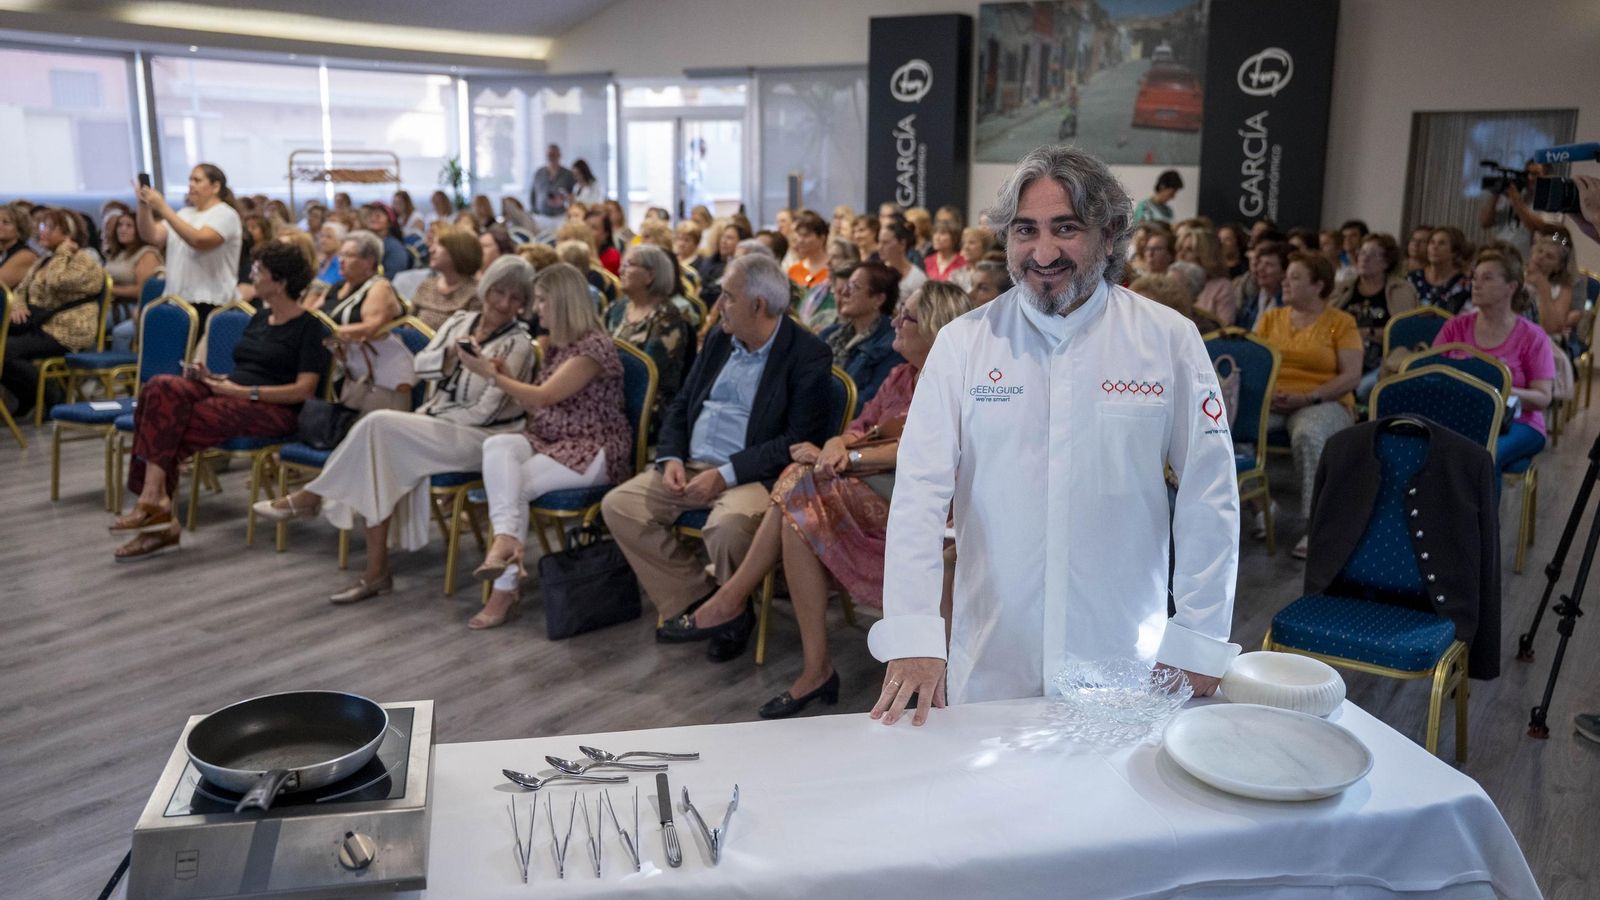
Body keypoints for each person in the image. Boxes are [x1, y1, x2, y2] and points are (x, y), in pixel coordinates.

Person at [867, 145, 1239, 726]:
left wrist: (1199, 637)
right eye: (1025, 230)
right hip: (993, 652)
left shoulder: (1168, 340)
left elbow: (1209, 493)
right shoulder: (964, 345)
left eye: (1066, 228)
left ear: (1109, 235)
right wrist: (915, 633)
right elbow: (918, 496)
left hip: (1122, 652)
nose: (1043, 253)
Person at [662, 282, 974, 717]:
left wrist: (851, 456)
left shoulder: (958, 381)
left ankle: (744, 611)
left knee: (798, 489)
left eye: (907, 317)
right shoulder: (901, 375)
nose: (895, 323)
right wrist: (835, 445)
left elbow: (921, 450)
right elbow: (860, 425)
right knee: (799, 504)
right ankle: (809, 663)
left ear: (936, 328)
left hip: (932, 510)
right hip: (879, 492)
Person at [253, 256, 539, 602]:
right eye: (499, 293)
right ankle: (374, 572)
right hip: (440, 425)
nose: (504, 304)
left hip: (487, 439)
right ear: (487, 288)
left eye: (515, 298)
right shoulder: (461, 322)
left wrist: (434, 414)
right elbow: (420, 366)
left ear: (524, 304)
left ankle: (316, 498)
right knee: (378, 452)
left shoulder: (517, 344)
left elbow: (486, 411)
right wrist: (449, 355)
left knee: (379, 425)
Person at [600, 253, 833, 647]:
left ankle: (727, 608)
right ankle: (704, 602)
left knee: (727, 529)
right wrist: (671, 457)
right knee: (620, 506)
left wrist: (724, 475)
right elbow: (682, 404)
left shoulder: (807, 354)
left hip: (753, 474)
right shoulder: (721, 339)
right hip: (691, 463)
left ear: (757, 305)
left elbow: (795, 441)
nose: (718, 305)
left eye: (728, 296)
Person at [111, 243, 329, 560]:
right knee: (159, 388)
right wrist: (213, 378)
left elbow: (304, 390)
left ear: (280, 282)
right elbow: (245, 369)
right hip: (233, 391)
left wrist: (245, 392)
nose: (252, 275)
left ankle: (156, 514)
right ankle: (153, 500)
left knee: (167, 420)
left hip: (275, 408)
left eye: (260, 271)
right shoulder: (259, 318)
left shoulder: (310, 327)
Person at [465, 263, 634, 629]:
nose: (535, 308)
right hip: (552, 439)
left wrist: (491, 376)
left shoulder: (592, 348)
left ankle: (504, 587)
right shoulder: (560, 346)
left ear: (563, 302)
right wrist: (507, 377)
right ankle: (506, 541)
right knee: (498, 445)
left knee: (514, 486)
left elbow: (544, 396)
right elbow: (538, 406)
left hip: (592, 448)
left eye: (542, 300)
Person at [1253, 252, 1362, 559]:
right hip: (1274, 400)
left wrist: (1310, 397)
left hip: (1324, 400)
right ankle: (1260, 506)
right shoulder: (1271, 318)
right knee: (1228, 430)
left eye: (1295, 277)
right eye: (1286, 276)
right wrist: (1269, 393)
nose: (1285, 282)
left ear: (1318, 285)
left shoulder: (1340, 323)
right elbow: (1256, 363)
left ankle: (1317, 524)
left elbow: (1352, 375)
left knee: (1308, 434)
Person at [1433, 248, 1555, 476]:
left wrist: (1498, 391)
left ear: (1511, 287)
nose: (1476, 285)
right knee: (1434, 447)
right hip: (1461, 414)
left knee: (1486, 452)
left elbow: (1543, 398)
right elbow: (1430, 374)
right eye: (1475, 278)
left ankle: (1481, 503)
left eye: (1487, 278)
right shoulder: (1455, 326)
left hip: (1518, 422)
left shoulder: (1532, 336)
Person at [2, 209, 107, 418]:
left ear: (68, 233)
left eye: (49, 227)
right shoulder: (43, 260)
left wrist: (63, 252)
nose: (42, 231)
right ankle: (29, 396)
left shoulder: (83, 260)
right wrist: (18, 306)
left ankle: (52, 394)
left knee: (6, 351)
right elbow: (21, 289)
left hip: (67, 330)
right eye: (42, 226)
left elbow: (56, 281)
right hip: (41, 325)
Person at [136, 163, 243, 318]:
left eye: (197, 180)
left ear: (215, 187)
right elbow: (151, 235)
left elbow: (199, 241)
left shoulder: (226, 214)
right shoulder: (185, 213)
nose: (191, 185)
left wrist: (162, 207)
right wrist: (143, 204)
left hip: (211, 302)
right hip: (177, 299)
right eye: (190, 180)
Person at [607, 244, 693, 418]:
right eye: (622, 264)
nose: (620, 270)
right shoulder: (618, 307)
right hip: (610, 390)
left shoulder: (667, 318)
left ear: (650, 275)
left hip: (646, 405)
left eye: (629, 265)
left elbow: (644, 372)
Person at [1331, 233, 1419, 400]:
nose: (1364, 258)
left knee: (1364, 389)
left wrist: (1366, 333)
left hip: (1382, 361)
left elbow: (1404, 334)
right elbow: (1325, 324)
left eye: (1372, 254)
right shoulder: (1343, 288)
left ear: (1386, 262)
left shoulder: (1401, 291)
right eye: (1362, 252)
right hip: (1340, 355)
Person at [820, 261, 904, 406]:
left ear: (878, 299)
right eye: (847, 285)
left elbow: (866, 404)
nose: (844, 293)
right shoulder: (830, 334)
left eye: (854, 287)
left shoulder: (892, 347)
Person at [322, 231, 403, 341]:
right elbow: (314, 312)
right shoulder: (338, 285)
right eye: (341, 255)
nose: (341, 260)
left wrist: (324, 333)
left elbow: (370, 329)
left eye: (348, 255)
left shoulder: (380, 287)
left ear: (369, 261)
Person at [1525, 227, 1584, 356]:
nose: (1541, 257)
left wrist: (1542, 286)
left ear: (1558, 267)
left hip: (1545, 344)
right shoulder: (1516, 276)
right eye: (1539, 251)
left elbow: (1552, 328)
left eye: (1549, 256)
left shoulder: (1562, 288)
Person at [411, 225, 482, 330]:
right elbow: (408, 323)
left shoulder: (476, 294)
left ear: (459, 251)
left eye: (439, 245)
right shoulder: (427, 285)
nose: (431, 250)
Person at [797, 240, 860, 332]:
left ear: (850, 260)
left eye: (835, 257)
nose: (828, 262)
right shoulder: (815, 291)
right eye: (828, 256)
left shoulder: (856, 295)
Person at [103, 212, 162, 309]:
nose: (122, 229)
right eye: (120, 225)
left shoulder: (147, 254)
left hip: (133, 307)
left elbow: (142, 291)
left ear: (140, 230)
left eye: (129, 226)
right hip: (111, 302)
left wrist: (108, 289)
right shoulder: (118, 253)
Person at [1176, 227, 1235, 325]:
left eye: (1189, 250)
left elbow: (1224, 328)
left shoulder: (1223, 287)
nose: (1181, 255)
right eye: (1180, 249)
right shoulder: (1175, 282)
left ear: (1207, 254)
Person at [1408, 226, 1472, 312]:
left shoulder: (1465, 286)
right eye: (1432, 242)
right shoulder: (1412, 279)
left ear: (1454, 252)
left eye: (1441, 243)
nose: (1435, 247)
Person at [1234, 240, 1288, 331]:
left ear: (1284, 272)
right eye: (1260, 263)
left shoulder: (1287, 305)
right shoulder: (1252, 302)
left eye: (1268, 265)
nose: (1260, 269)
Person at [876, 218, 927, 302]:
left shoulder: (917, 278)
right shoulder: (877, 272)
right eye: (879, 242)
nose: (879, 247)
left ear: (902, 244)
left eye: (885, 242)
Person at [532, 144, 576, 225]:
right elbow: (533, 194)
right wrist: (534, 212)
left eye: (553, 155)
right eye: (548, 155)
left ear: (559, 155)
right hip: (541, 216)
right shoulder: (539, 173)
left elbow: (575, 195)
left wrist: (563, 200)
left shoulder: (568, 174)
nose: (550, 157)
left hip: (561, 217)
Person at [363, 203, 412, 276]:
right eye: (370, 215)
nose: (373, 218)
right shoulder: (366, 242)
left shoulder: (394, 248)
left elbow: (393, 275)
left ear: (389, 222)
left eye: (378, 216)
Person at [0, 203, 42, 290]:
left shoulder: (25, 256)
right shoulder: (4, 252)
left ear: (20, 229)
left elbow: (1, 284)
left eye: (6, 222)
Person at [786, 210, 831, 290]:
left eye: (806, 235)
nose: (800, 240)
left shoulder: (833, 270)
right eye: (799, 235)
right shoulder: (793, 271)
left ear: (822, 238)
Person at [313, 221, 347, 287]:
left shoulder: (342, 264)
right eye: (321, 236)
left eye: (329, 237)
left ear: (341, 241)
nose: (323, 241)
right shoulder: (318, 262)